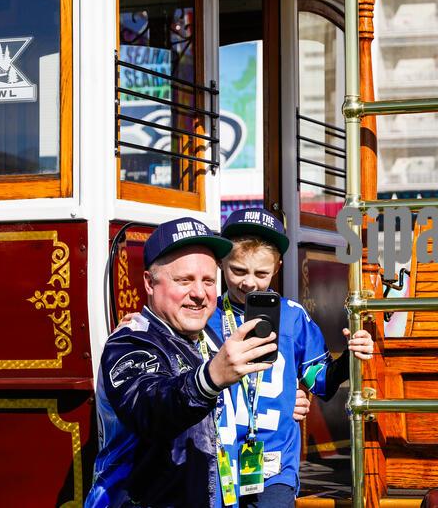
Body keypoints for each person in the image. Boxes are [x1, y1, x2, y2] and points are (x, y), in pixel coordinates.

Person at [86, 218, 278, 507]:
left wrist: (295, 397)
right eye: (184, 280)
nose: (199, 293)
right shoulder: (131, 342)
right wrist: (209, 379)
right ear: (149, 283)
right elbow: (150, 405)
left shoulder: (207, 337)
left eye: (209, 281)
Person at [207, 207, 373, 507]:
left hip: (275, 466)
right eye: (238, 271)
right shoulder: (205, 317)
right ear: (222, 264)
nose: (249, 283)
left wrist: (351, 359)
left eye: (261, 273)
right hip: (218, 464)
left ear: (278, 267)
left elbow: (321, 383)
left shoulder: (294, 318)